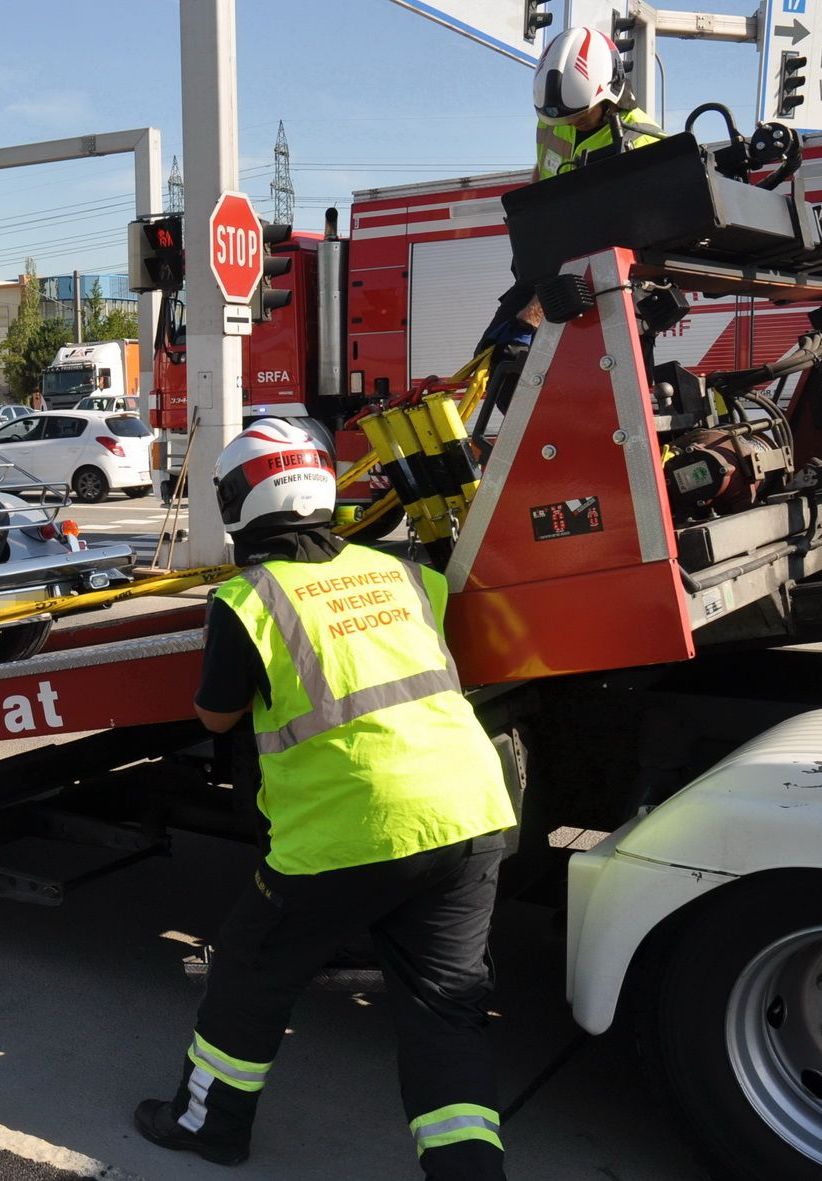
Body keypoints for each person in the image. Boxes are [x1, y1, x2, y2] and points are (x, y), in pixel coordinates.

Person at [133, 419, 517, 1178]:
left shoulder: (250, 598)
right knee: (445, 1012)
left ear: (243, 500)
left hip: (351, 828)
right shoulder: (404, 572)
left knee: (250, 968)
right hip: (470, 810)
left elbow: (216, 714)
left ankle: (207, 1123)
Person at [478, 26, 664, 367]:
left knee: (557, 375)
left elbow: (614, 246)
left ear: (610, 92)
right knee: (496, 360)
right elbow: (541, 177)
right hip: (551, 268)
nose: (572, 122)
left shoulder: (641, 145)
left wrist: (535, 310)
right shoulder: (557, 119)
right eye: (564, 116)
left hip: (608, 286)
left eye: (580, 114)